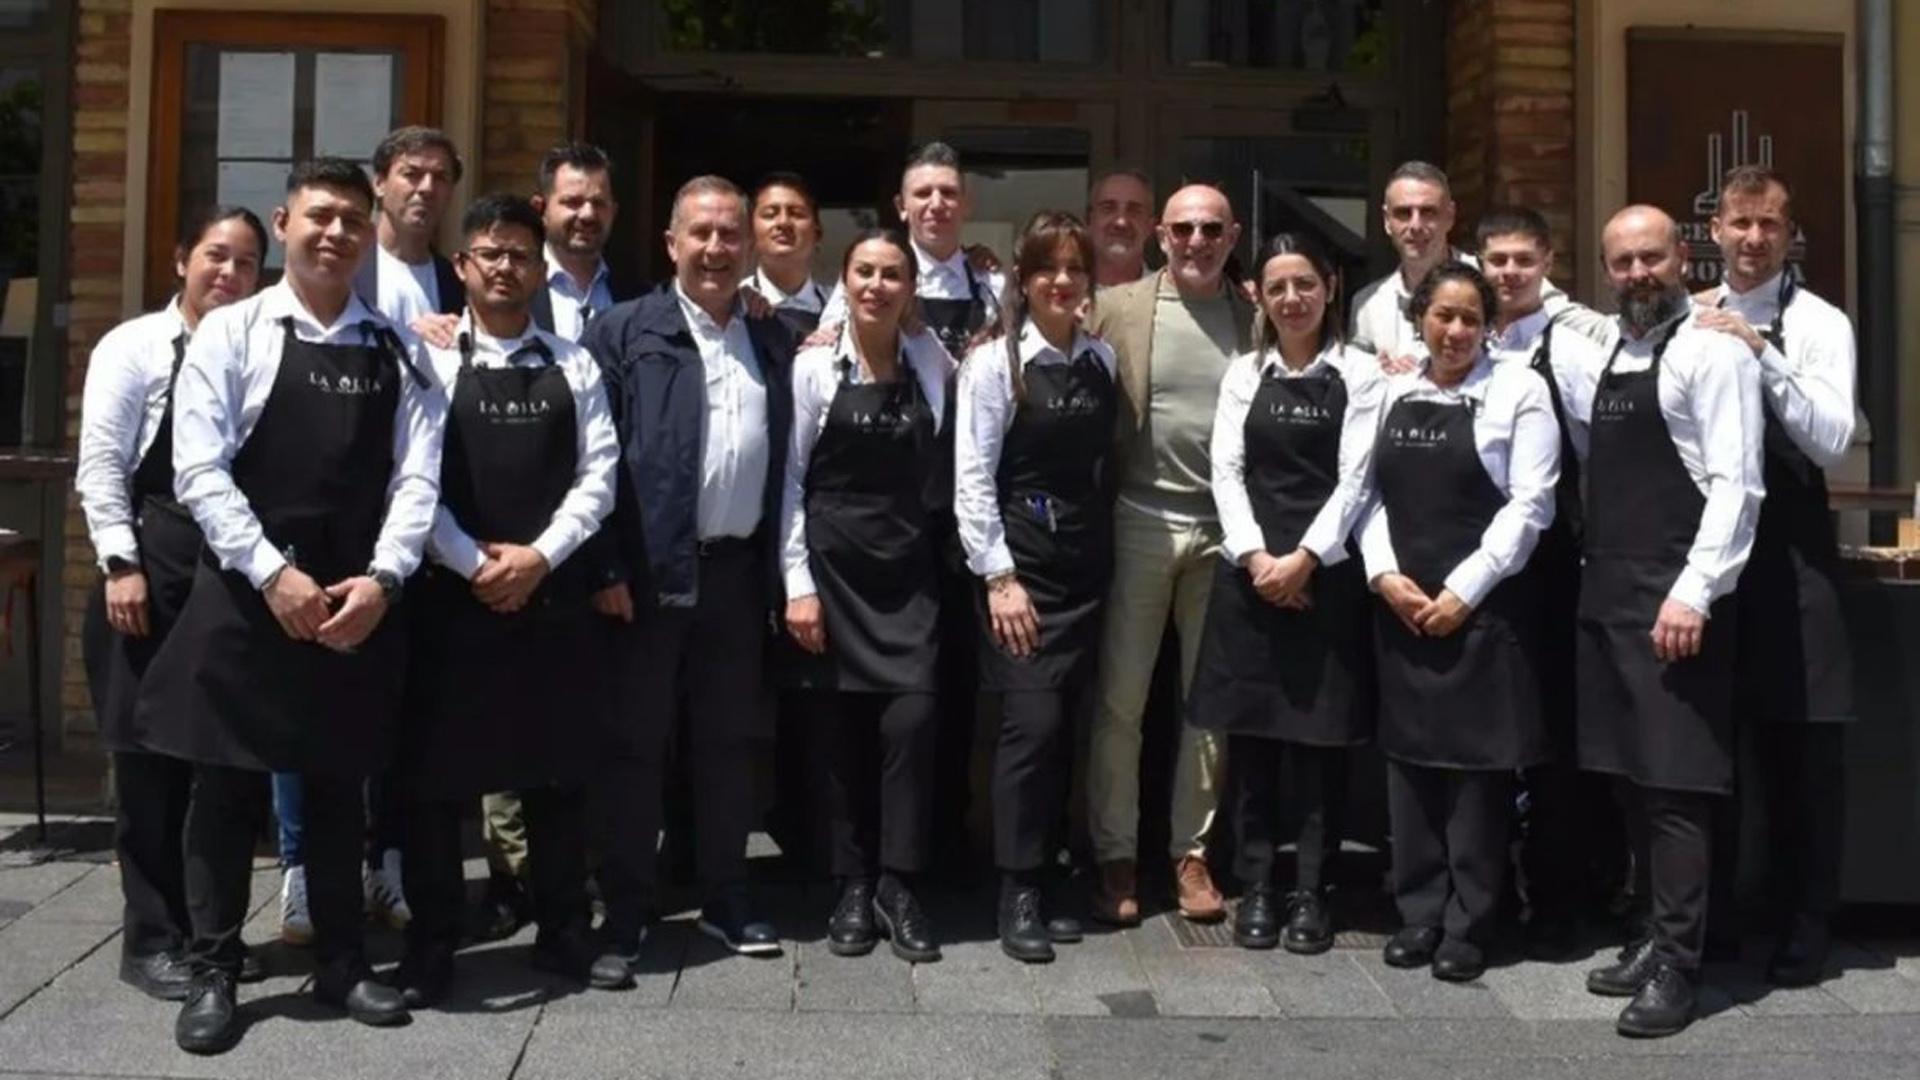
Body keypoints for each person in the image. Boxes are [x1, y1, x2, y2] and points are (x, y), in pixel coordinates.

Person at [135, 157, 445, 1053]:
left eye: (353, 218)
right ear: (284, 223)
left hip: (354, 601)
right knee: (224, 794)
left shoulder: (397, 346)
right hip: (246, 601)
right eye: (320, 216)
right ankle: (215, 969)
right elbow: (198, 472)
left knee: (341, 789)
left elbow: (416, 478)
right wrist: (275, 575)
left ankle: (345, 963)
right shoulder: (231, 333)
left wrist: (384, 580)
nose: (337, 232)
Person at [389, 192, 632, 1005]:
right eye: (489, 253)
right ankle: (433, 943)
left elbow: (599, 478)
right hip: (451, 605)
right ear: (462, 266)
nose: (504, 267)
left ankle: (564, 932)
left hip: (550, 600)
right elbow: (410, 481)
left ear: (540, 269)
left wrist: (537, 556)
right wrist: (471, 563)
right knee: (434, 786)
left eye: (520, 255)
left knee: (558, 779)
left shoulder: (575, 361)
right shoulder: (427, 361)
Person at [585, 175, 792, 961]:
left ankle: (725, 899)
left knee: (728, 743)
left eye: (728, 234)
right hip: (644, 573)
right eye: (699, 233)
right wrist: (604, 565)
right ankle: (629, 910)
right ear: (671, 244)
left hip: (737, 577)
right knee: (636, 747)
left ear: (748, 248)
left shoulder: (772, 337)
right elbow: (593, 462)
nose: (714, 248)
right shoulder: (623, 332)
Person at [1578, 206, 1763, 1038]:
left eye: (1650, 257)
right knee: (1629, 782)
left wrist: (1695, 592)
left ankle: (1682, 967)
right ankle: (1653, 937)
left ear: (1680, 256)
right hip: (1609, 597)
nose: (1637, 274)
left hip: (1674, 601)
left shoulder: (1712, 352)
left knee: (1678, 790)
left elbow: (1737, 485)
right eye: (1621, 263)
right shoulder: (1618, 349)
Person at [277, 125, 464, 942]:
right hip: (332, 529)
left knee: (399, 709)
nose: (423, 188)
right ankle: (300, 874)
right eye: (408, 174)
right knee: (303, 716)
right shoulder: (350, 274)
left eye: (438, 177)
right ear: (380, 185)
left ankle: (383, 864)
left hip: (430, 528)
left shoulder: (463, 278)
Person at [78, 206, 266, 1002]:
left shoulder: (259, 348)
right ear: (181, 259)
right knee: (148, 761)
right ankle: (151, 938)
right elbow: (102, 465)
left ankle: (208, 934)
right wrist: (120, 564)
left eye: (248, 262)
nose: (228, 273)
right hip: (149, 561)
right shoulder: (134, 347)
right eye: (215, 256)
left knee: (219, 764)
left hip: (228, 568)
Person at [1358, 261, 1559, 984]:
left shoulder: (1519, 391)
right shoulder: (1393, 390)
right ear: (1420, 319)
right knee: (1410, 767)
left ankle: (1472, 920)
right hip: (1404, 603)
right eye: (1443, 316)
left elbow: (1531, 505)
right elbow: (1367, 494)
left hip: (1483, 611)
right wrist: (1386, 577)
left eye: (1470, 318)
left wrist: (1463, 590)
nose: (1455, 331)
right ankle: (1418, 912)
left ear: (1490, 326)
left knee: (1476, 776)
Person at [1188, 232, 1382, 954]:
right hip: (1250, 578)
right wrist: (1257, 559)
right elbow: (1227, 470)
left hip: (1326, 580)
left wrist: (1304, 560)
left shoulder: (1361, 375)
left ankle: (1312, 892)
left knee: (1319, 748)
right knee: (1255, 744)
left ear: (1328, 287)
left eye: (1304, 283)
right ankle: (1258, 887)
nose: (1292, 298)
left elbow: (1358, 479)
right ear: (1260, 298)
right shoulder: (1245, 373)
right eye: (1277, 288)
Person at [1694, 166, 1856, 987]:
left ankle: (1807, 922)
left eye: (1769, 226)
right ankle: (1718, 918)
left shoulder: (1820, 323)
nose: (1753, 239)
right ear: (1713, 230)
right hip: (1717, 565)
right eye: (1739, 223)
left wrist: (1762, 354)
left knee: (1803, 756)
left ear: (1790, 235)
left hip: (1795, 563)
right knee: (1717, 750)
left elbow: (1832, 440)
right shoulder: (1687, 318)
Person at [783, 229, 954, 965]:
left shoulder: (930, 360)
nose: (878, 286)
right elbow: (791, 481)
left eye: (893, 274)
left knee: (910, 729)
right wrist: (798, 587)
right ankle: (851, 882)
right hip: (834, 572)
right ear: (842, 281)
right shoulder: (816, 366)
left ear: (910, 288)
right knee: (840, 737)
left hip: (910, 572)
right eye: (865, 272)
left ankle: (899, 881)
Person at [1085, 184, 1254, 926]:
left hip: (1224, 532)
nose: (1195, 240)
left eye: (1210, 227)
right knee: (1121, 702)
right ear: (1160, 235)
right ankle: (1115, 854)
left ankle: (1192, 856)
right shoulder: (1119, 307)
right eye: (1182, 228)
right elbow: (1047, 345)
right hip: (1139, 521)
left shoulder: (1255, 315)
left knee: (1205, 706)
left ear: (1232, 234)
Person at [955, 212, 1116, 962]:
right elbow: (972, 479)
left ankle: (1050, 870)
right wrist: (999, 577)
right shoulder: (993, 365)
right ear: (1022, 278)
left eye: (1075, 269)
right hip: (1022, 577)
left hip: (1088, 571)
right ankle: (1014, 888)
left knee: (1070, 732)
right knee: (1030, 730)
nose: (1062, 281)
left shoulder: (1101, 360)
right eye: (1048, 268)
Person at [1476, 205, 1617, 956]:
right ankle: (1489, 890)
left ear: (1548, 262)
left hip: (1554, 566)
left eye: (1521, 261)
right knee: (1493, 734)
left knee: (1554, 740)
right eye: (1496, 260)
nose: (1508, 274)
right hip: (1479, 573)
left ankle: (1561, 897)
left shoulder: (1573, 347)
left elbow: (1605, 456)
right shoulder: (1466, 337)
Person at [1349, 162, 1470, 364]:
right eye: (1404, 213)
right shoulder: (1368, 305)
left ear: (1450, 216)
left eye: (1428, 212)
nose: (1415, 225)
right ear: (1387, 221)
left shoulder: (1488, 281)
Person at [530, 141, 633, 342]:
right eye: (573, 202)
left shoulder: (637, 297)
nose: (588, 214)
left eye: (598, 203)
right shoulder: (514, 287)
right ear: (540, 209)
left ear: (613, 212)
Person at [747, 171, 832, 340]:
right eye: (770, 214)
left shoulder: (840, 308)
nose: (783, 222)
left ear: (818, 232)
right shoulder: (732, 305)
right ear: (750, 232)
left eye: (797, 213)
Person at [1088, 169, 1156, 290]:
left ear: (1150, 226)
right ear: (1090, 221)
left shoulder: (1168, 297)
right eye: (1108, 209)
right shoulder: (1065, 296)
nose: (1121, 222)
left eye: (1134, 210)